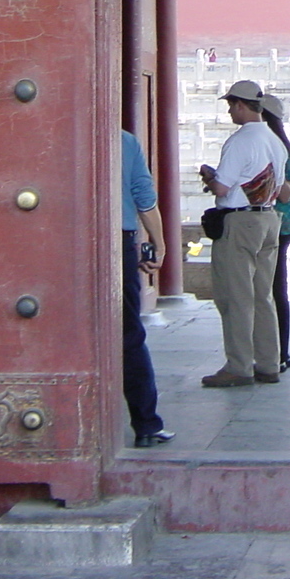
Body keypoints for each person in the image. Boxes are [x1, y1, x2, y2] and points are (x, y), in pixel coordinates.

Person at [197, 79, 290, 388]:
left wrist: (210, 178)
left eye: (230, 105)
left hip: (239, 222)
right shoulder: (275, 141)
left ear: (239, 104)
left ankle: (239, 365)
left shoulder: (240, 141)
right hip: (268, 220)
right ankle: (268, 362)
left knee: (235, 297)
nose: (229, 112)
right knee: (263, 296)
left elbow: (223, 188)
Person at [120, 129, 172, 447]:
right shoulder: (125, 141)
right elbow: (144, 196)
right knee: (128, 333)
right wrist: (159, 243)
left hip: (67, 240)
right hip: (119, 239)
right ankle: (146, 425)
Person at [262, 95, 290, 374]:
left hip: (273, 222)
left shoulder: (274, 148)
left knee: (271, 290)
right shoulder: (285, 147)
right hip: (285, 224)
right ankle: (280, 351)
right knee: (278, 289)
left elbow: (285, 191)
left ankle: (277, 351)